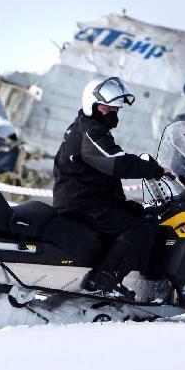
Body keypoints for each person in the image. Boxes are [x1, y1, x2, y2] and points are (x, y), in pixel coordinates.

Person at [52, 75, 166, 297]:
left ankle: (139, 277)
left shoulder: (84, 126)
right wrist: (153, 169)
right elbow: (115, 162)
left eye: (116, 109)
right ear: (92, 105)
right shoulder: (90, 131)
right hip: (83, 203)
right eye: (108, 108)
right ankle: (103, 282)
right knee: (137, 228)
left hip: (89, 198)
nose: (113, 113)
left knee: (141, 214)